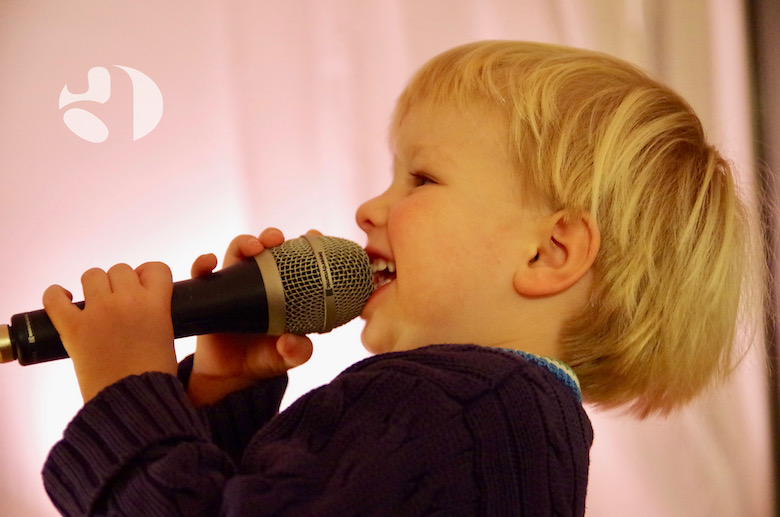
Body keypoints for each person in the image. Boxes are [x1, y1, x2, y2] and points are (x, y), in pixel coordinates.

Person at [41, 40, 749, 516]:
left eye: (421, 177)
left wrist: (125, 394)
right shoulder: (503, 420)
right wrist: (221, 396)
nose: (368, 208)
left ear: (549, 253)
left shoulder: (447, 408)